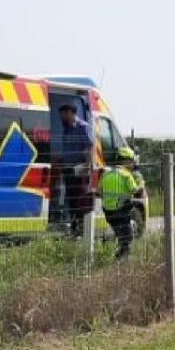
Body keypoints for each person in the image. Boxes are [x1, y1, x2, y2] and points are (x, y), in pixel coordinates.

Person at [99, 146, 143, 260]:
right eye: (131, 161)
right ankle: (122, 258)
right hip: (121, 212)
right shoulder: (127, 176)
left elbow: (100, 191)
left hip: (108, 213)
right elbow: (135, 190)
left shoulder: (105, 174)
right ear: (126, 161)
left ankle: (111, 250)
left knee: (118, 231)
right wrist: (140, 183)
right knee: (127, 237)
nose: (132, 164)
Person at [58, 103, 94, 234]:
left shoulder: (83, 127)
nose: (61, 117)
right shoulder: (66, 129)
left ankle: (80, 229)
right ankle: (74, 228)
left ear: (70, 113)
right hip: (68, 170)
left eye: (63, 114)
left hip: (79, 171)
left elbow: (90, 147)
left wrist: (86, 168)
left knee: (80, 200)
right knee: (71, 200)